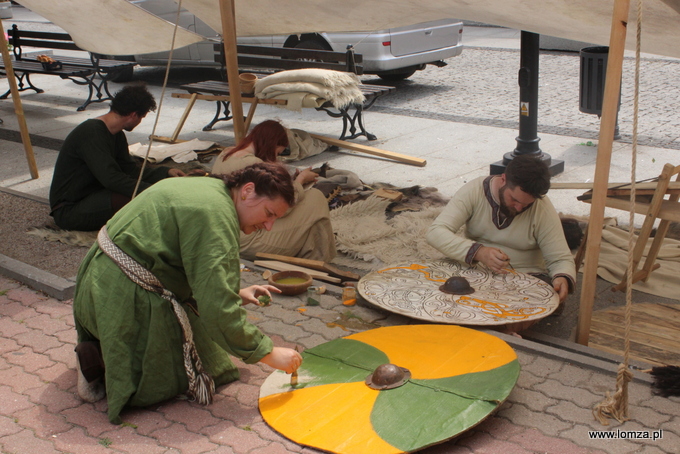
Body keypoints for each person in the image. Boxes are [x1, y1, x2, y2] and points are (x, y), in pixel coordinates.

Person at [73, 162, 303, 424]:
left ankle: (102, 342)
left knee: (205, 344)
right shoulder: (216, 215)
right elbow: (218, 311)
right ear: (247, 190)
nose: (269, 225)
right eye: (269, 213)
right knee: (183, 371)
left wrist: (235, 292)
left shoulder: (209, 186)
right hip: (121, 296)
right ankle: (99, 361)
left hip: (96, 285)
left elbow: (186, 264)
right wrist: (268, 353)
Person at [426, 154, 576, 305]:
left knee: (516, 308)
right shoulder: (474, 190)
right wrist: (479, 252)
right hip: (476, 271)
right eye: (514, 200)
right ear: (503, 179)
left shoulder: (542, 207)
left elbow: (560, 258)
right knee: (434, 292)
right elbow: (436, 232)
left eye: (526, 205)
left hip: (525, 278)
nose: (518, 208)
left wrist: (561, 277)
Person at [49, 83, 196, 231]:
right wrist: (154, 191)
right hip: (68, 211)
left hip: (93, 196)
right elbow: (111, 179)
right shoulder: (91, 133)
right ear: (133, 115)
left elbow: (130, 170)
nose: (140, 122)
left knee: (144, 191)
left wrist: (165, 173)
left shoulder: (116, 134)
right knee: (139, 198)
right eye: (142, 117)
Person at [212, 120, 336, 262]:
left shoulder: (225, 153)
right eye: (277, 153)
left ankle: (313, 253)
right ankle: (319, 259)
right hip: (247, 239)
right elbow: (282, 208)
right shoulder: (254, 164)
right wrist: (300, 180)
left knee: (309, 207)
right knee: (315, 199)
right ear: (270, 145)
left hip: (227, 232)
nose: (276, 158)